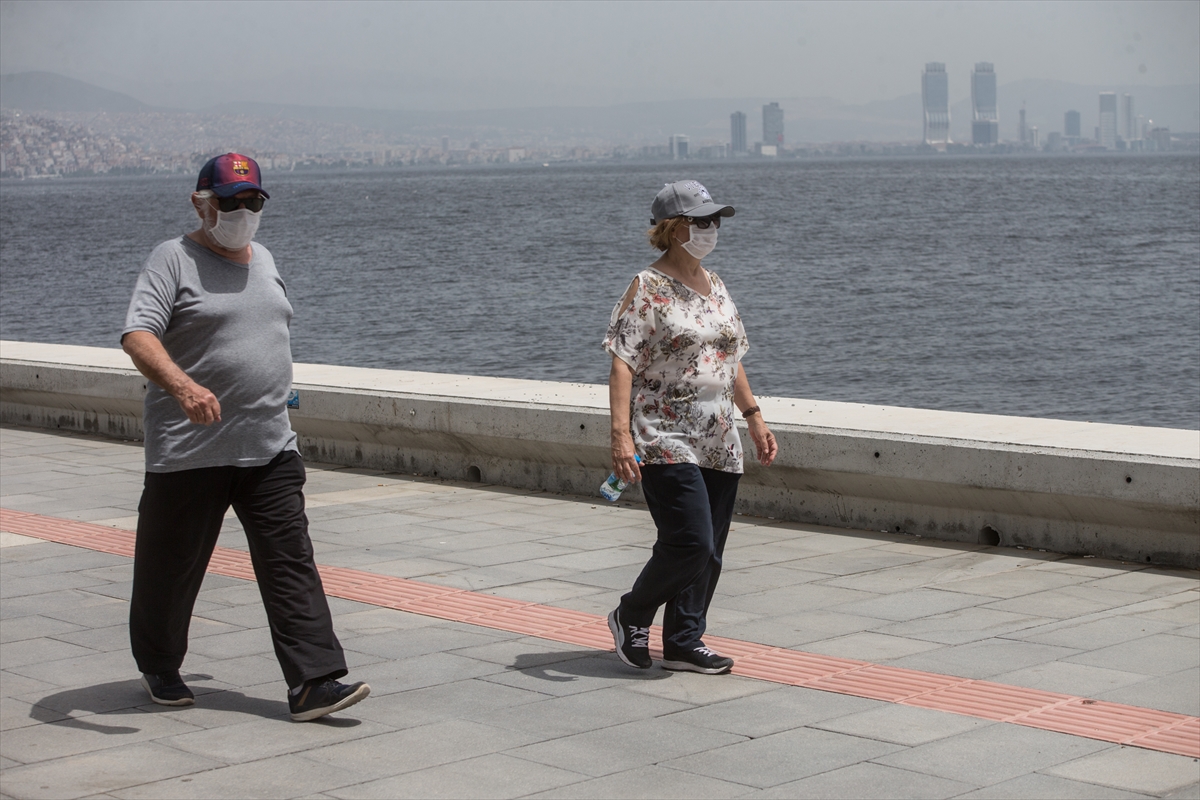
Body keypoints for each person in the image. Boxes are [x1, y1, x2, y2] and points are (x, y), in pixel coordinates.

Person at [121, 153, 369, 721]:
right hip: (190, 452)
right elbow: (138, 334)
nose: (242, 212)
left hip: (269, 447)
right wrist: (184, 388)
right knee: (170, 568)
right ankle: (159, 664)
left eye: (252, 201)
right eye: (230, 202)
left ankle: (313, 682)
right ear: (200, 202)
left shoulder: (266, 259)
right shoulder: (172, 259)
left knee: (290, 563)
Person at [604, 180, 778, 674]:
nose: (712, 229)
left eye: (715, 220)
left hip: (719, 433)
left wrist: (754, 417)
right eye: (702, 221)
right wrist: (620, 436)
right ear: (674, 228)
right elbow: (622, 361)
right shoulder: (647, 287)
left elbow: (731, 357)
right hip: (663, 431)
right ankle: (632, 612)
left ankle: (684, 640)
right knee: (691, 540)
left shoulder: (716, 285)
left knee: (711, 550)